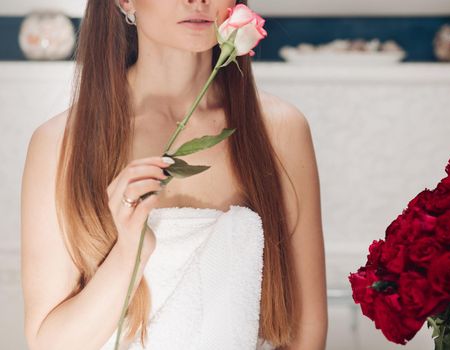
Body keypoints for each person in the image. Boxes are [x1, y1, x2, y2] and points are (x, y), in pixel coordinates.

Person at [20, 0, 327, 349]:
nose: (197, 1)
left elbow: (307, 331)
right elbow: (50, 344)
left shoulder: (280, 129)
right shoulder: (60, 142)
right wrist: (127, 255)